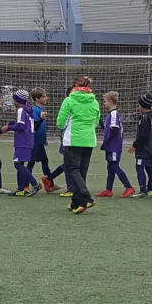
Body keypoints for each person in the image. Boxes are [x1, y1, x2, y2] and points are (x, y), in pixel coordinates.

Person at [56, 76, 101, 214]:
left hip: (73, 139)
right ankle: (77, 202)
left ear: (74, 86)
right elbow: (97, 122)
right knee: (81, 172)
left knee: (72, 170)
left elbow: (60, 122)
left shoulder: (69, 100)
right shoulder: (94, 102)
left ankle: (86, 197)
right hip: (89, 140)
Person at [96, 91, 135, 198]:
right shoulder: (111, 114)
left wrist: (106, 143)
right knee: (110, 167)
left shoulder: (113, 114)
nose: (103, 104)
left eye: (104, 102)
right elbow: (108, 128)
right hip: (111, 145)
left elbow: (114, 130)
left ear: (110, 101)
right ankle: (108, 189)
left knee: (114, 166)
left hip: (113, 146)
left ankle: (129, 187)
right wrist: (100, 122)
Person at [6, 89, 42, 197]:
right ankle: (20, 189)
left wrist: (8, 127)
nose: (13, 102)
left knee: (17, 164)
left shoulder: (21, 110)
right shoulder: (28, 110)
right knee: (20, 164)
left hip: (23, 141)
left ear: (18, 100)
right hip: (28, 140)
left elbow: (21, 126)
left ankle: (35, 184)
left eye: (14, 100)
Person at [43, 86, 74, 197]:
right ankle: (70, 188)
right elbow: (62, 124)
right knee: (69, 164)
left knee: (70, 164)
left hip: (76, 140)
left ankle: (48, 178)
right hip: (68, 140)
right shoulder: (67, 106)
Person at [29, 88, 61, 194]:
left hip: (40, 142)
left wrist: (44, 139)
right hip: (34, 142)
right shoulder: (34, 110)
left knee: (44, 162)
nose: (46, 98)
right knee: (31, 164)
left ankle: (50, 184)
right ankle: (24, 185)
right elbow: (34, 127)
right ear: (37, 99)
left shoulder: (41, 110)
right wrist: (41, 119)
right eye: (43, 96)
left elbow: (42, 128)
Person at [128, 94, 152, 198]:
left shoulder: (144, 118)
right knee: (150, 168)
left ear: (142, 105)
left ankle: (143, 190)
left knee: (140, 167)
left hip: (144, 149)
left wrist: (135, 146)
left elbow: (142, 135)